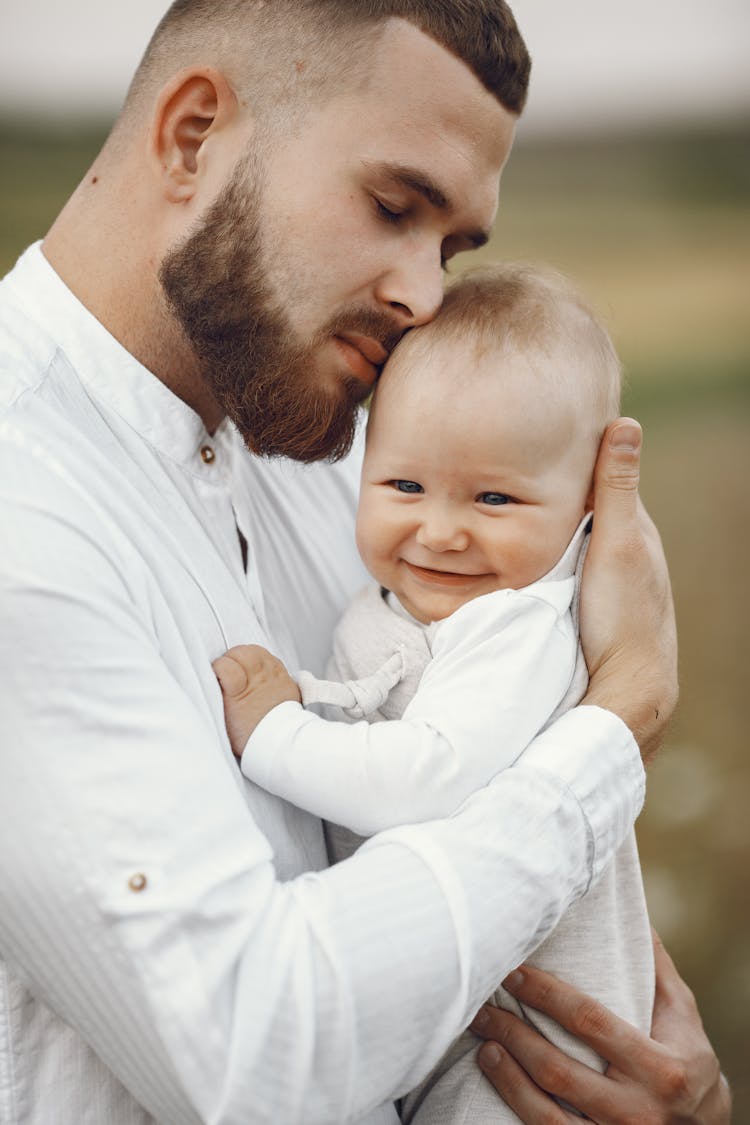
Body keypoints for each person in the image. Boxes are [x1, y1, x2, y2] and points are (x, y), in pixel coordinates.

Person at [0, 2, 728, 1123]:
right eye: (394, 207)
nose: (424, 296)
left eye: (450, 248)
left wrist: (648, 1084)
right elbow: (255, 1061)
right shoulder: (22, 498)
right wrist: (616, 727)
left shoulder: (342, 465)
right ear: (194, 135)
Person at [212, 263, 656, 1123]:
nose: (442, 530)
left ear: (586, 509)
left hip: (538, 1041)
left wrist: (277, 731)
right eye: (404, 486)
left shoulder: (517, 627)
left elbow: (428, 777)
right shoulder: (393, 602)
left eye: (496, 497)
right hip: (451, 1009)